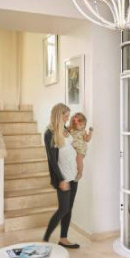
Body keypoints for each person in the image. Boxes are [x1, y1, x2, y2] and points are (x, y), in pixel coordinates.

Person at [43, 103, 80, 249]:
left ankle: (63, 239)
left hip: (73, 174)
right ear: (58, 115)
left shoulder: (64, 128)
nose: (68, 118)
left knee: (69, 208)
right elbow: (52, 160)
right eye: (66, 116)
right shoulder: (49, 133)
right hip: (63, 176)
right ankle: (45, 239)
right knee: (63, 209)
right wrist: (61, 179)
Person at [68, 112, 93, 180]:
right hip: (73, 148)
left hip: (81, 149)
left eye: (84, 125)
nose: (82, 126)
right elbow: (65, 131)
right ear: (75, 124)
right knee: (71, 160)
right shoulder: (71, 130)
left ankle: (80, 172)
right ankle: (73, 171)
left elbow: (87, 139)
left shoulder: (83, 131)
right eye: (81, 125)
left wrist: (90, 132)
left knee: (78, 160)